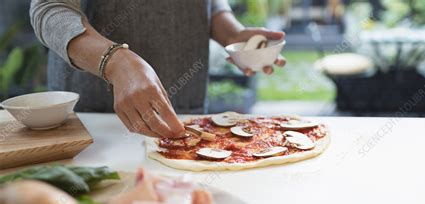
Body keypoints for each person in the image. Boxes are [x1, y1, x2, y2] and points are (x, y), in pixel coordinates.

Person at [30, 0, 286, 138]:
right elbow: (49, 9)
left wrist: (232, 32)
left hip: (186, 114)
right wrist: (115, 62)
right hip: (95, 125)